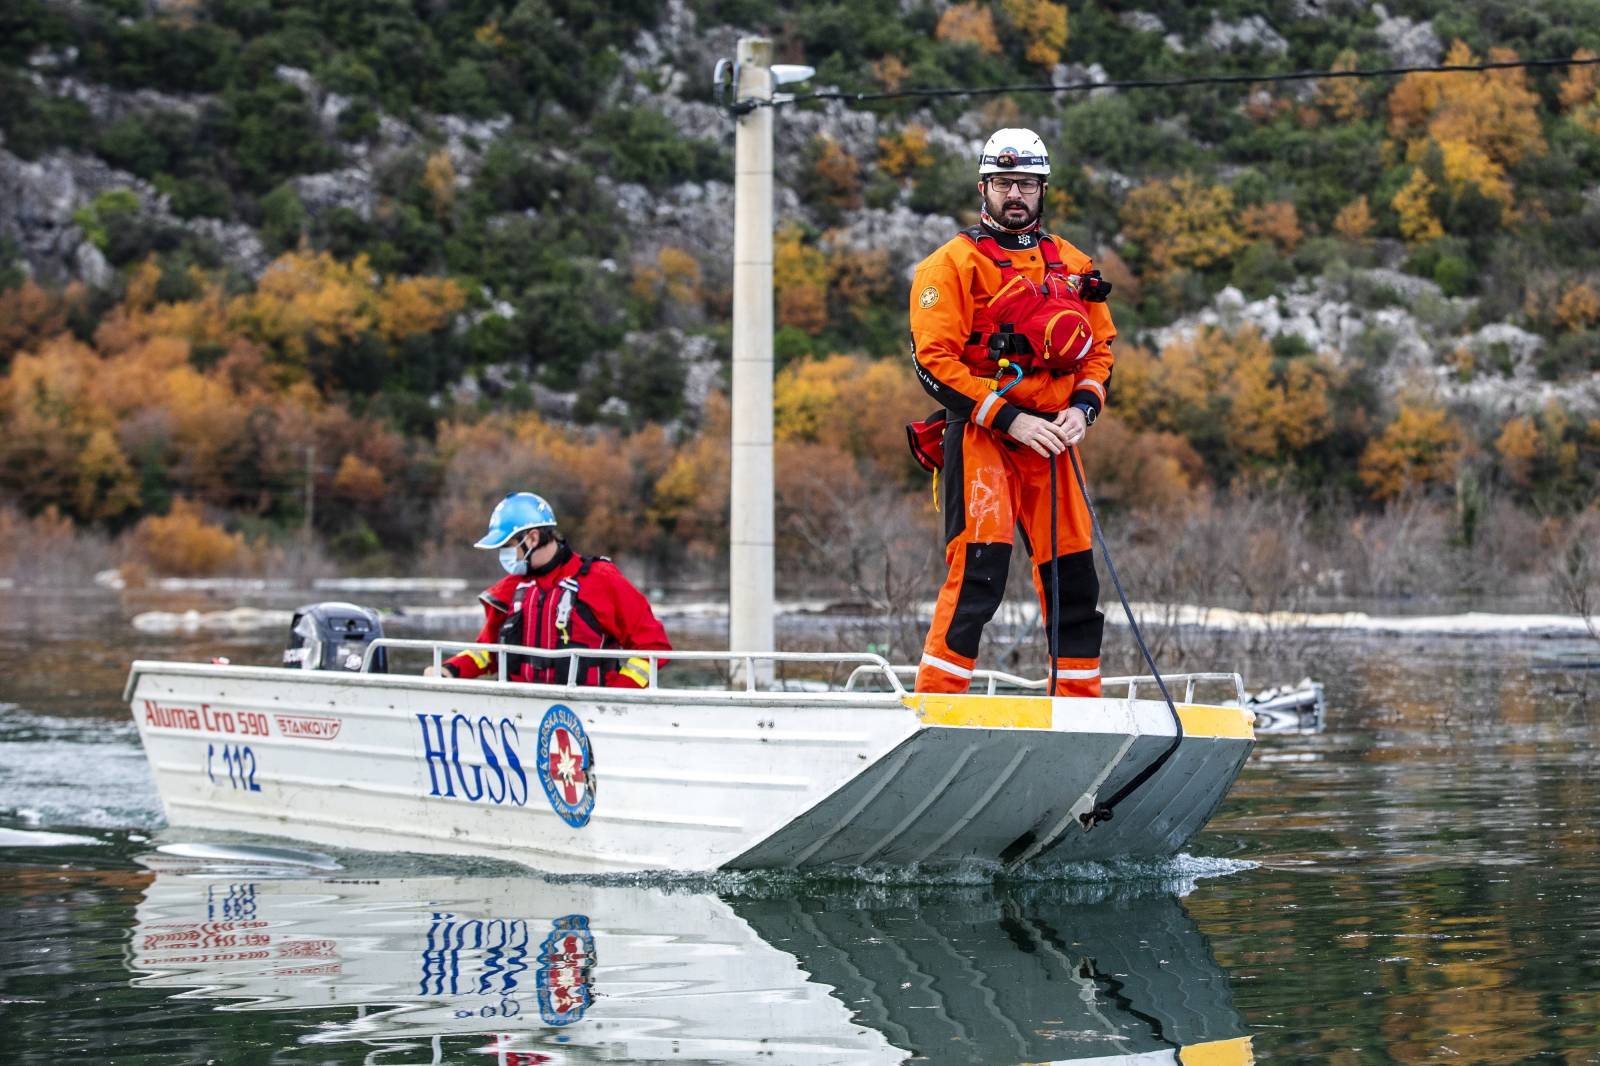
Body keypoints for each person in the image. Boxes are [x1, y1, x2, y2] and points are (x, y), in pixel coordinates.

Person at [907, 128, 1115, 697]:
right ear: (984, 188)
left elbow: (1099, 351)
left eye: (1024, 182)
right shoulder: (950, 265)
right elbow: (932, 362)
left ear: (1042, 188)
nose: (1014, 194)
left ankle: (1078, 711)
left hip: (1054, 442)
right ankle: (938, 705)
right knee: (980, 571)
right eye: (1003, 183)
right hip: (984, 437)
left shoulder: (1073, 263)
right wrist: (1009, 418)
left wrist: (1082, 410)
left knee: (1074, 578)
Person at [424, 492, 671, 686]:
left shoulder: (601, 579)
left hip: (588, 717)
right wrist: (449, 670)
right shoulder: (511, 589)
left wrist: (617, 696)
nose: (503, 555)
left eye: (507, 546)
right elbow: (487, 652)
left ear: (532, 538)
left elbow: (654, 647)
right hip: (521, 718)